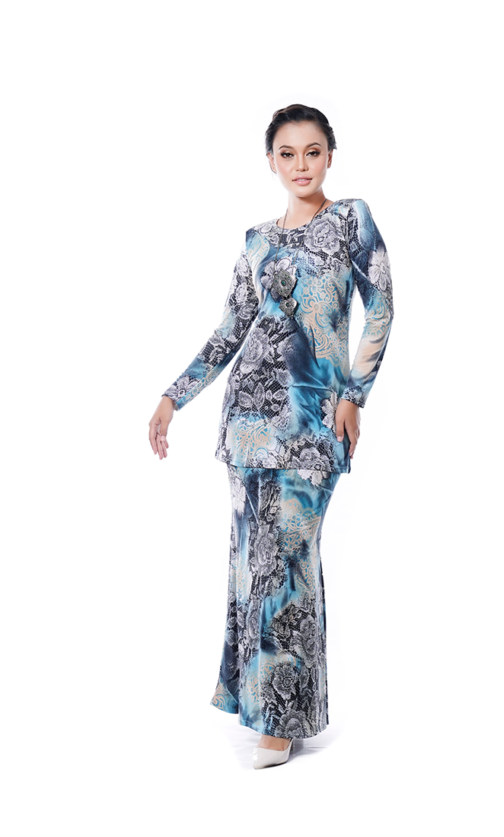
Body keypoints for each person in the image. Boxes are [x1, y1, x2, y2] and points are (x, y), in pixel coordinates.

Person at [148, 104, 394, 769]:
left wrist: (355, 395)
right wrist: (173, 395)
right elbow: (232, 329)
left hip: (314, 425)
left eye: (313, 152)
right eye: (288, 154)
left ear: (330, 156)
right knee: (253, 566)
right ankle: (271, 710)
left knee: (290, 561)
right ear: (271, 162)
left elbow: (382, 309)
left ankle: (282, 719)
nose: (301, 165)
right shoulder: (257, 240)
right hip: (247, 427)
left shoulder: (352, 219)